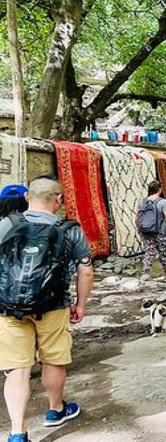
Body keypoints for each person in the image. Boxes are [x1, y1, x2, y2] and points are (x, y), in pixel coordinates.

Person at [0, 177, 94, 442]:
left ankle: (17, 432)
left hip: (8, 306)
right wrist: (81, 304)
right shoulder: (70, 230)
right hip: (53, 305)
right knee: (53, 359)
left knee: (17, 368)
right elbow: (85, 271)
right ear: (59, 200)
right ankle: (55, 410)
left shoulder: (7, 224)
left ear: (28, 198)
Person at [136, 181, 166, 280]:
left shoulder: (142, 202)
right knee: (163, 252)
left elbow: (137, 219)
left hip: (145, 231)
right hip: (160, 231)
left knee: (149, 251)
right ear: (159, 189)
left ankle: (145, 273)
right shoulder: (163, 202)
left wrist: (141, 229)